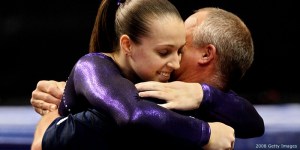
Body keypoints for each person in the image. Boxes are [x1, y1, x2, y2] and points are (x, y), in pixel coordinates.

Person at [31, 1, 237, 150]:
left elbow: (251, 120)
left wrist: (203, 94)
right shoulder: (92, 67)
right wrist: (206, 133)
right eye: (164, 52)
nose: (175, 63)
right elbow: (132, 114)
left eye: (180, 51)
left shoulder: (152, 71)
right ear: (127, 45)